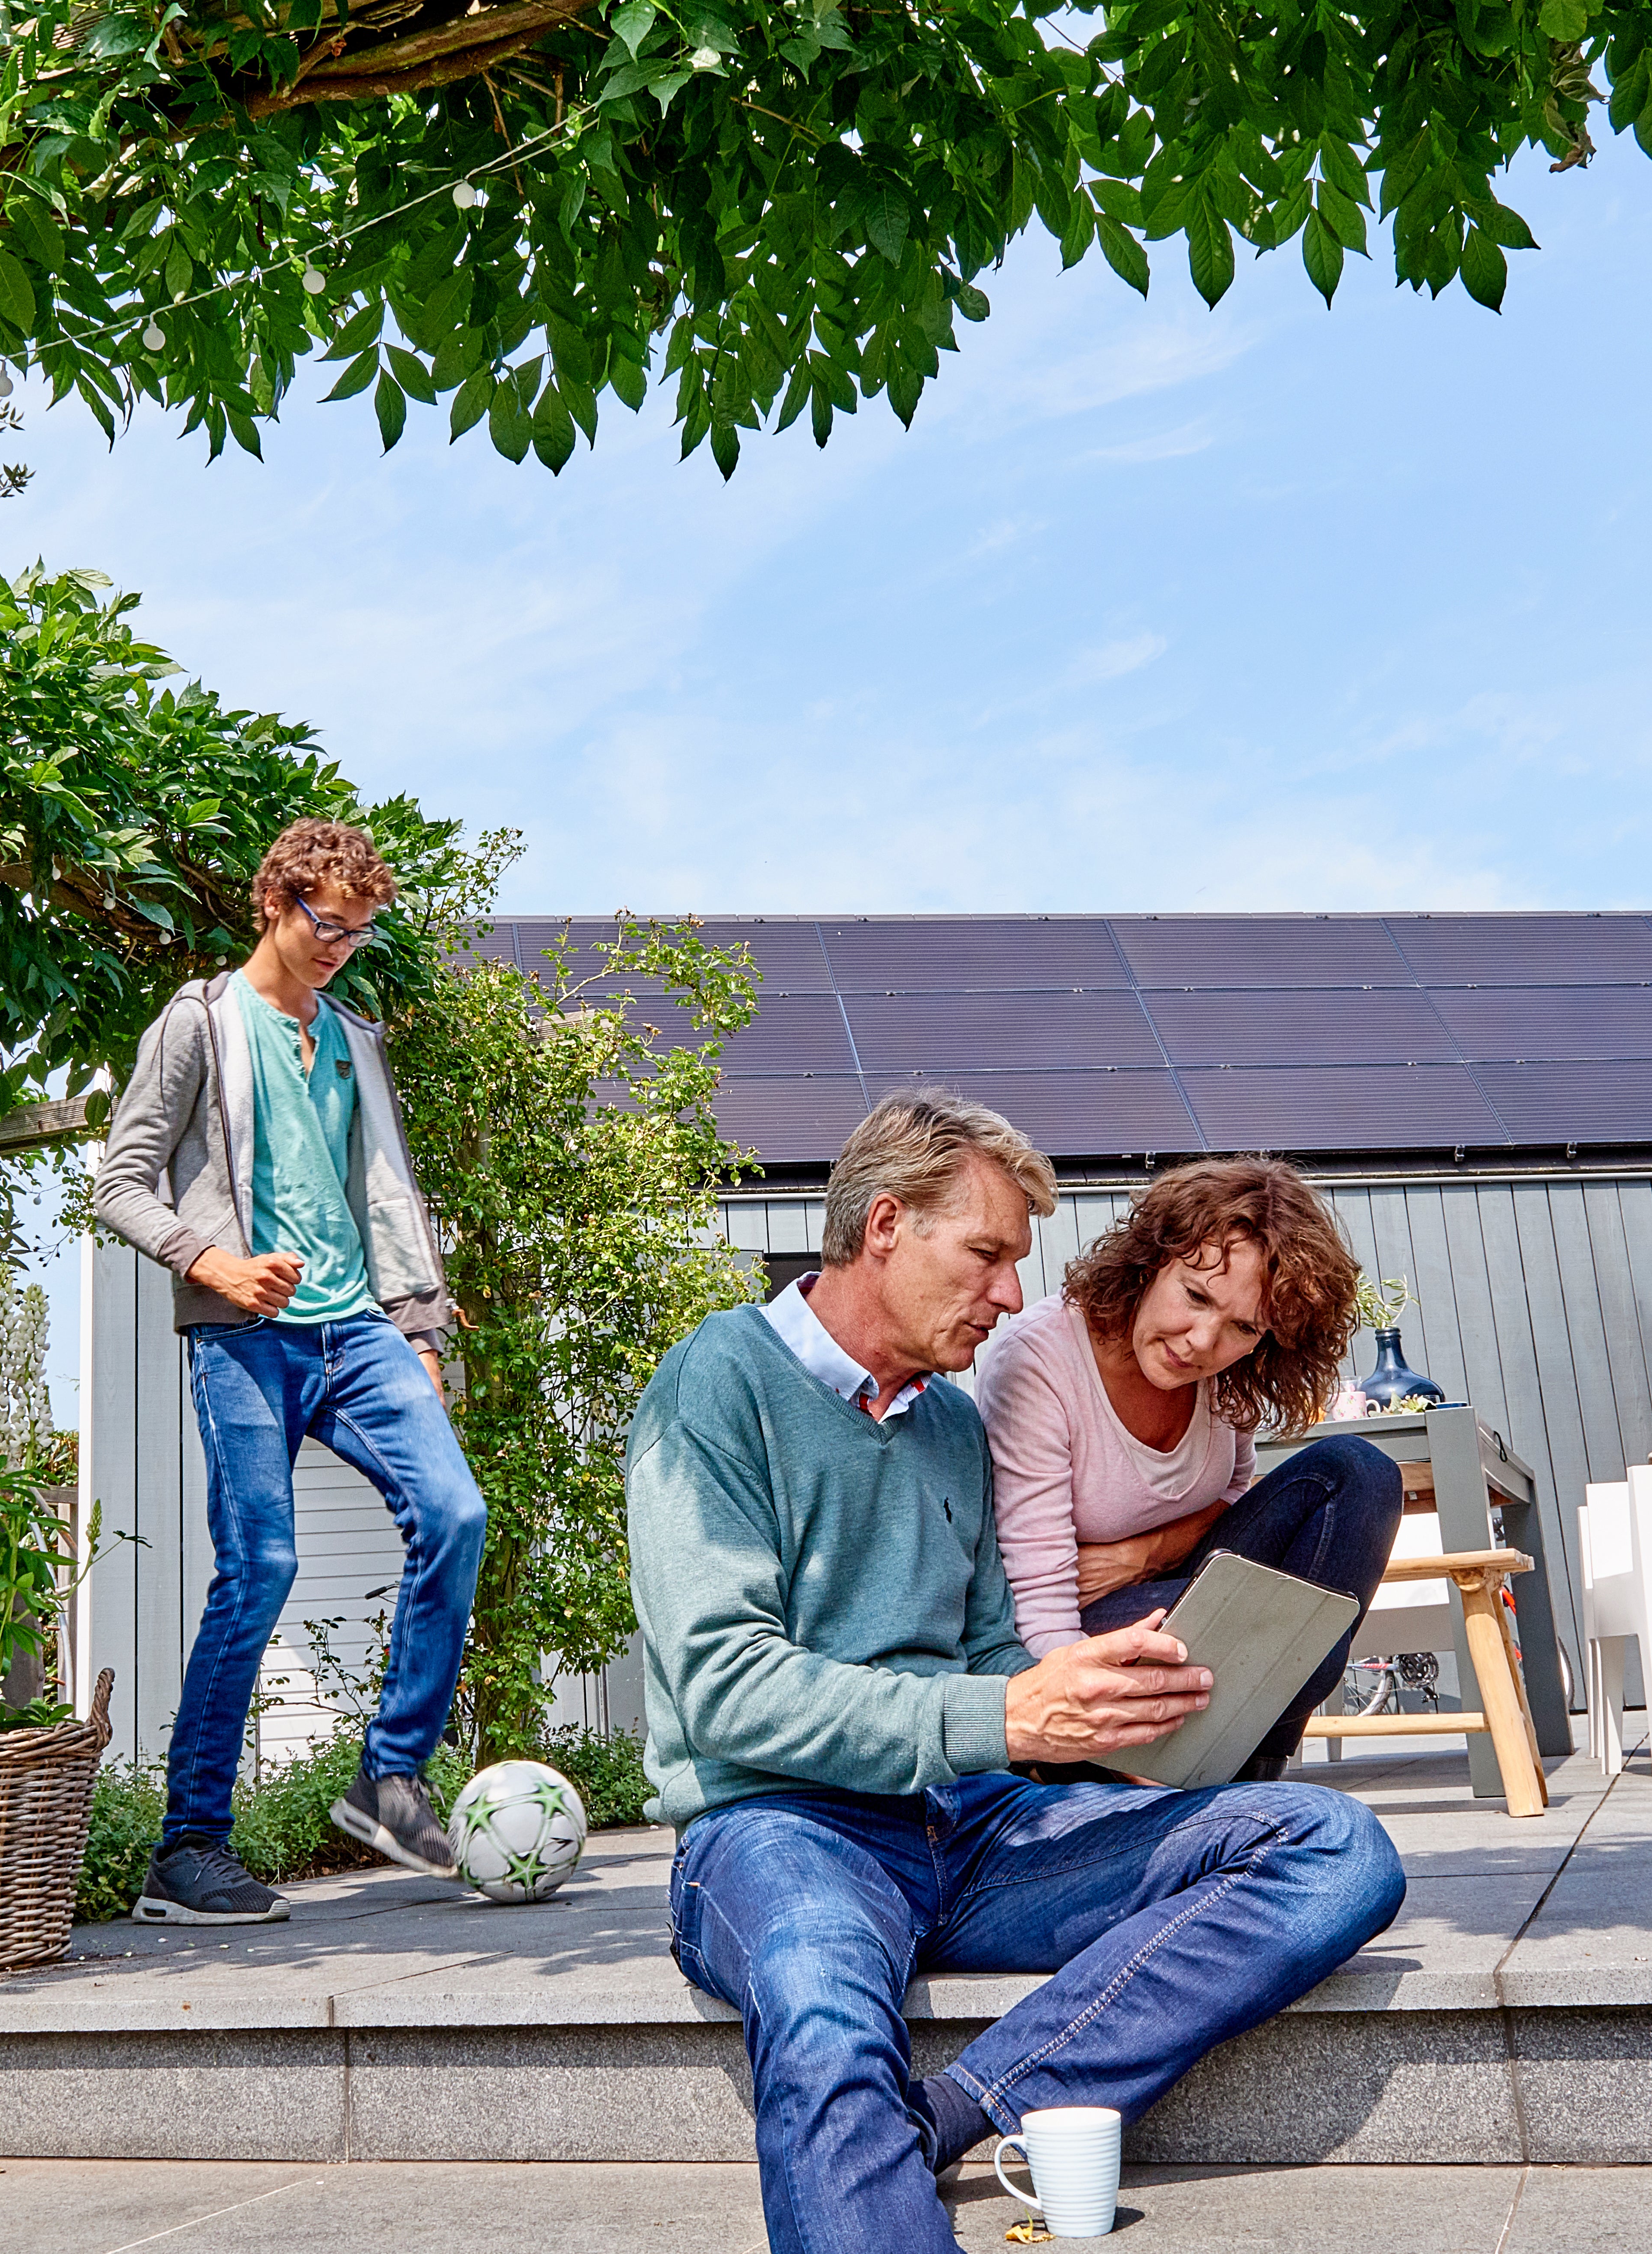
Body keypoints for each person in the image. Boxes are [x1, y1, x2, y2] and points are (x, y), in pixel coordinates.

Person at [626, 1092, 1408, 2254]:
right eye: (988, 1255)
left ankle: (963, 2104)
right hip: (782, 1829)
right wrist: (1008, 1707)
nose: (1008, 1293)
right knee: (825, 2014)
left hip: (977, 1830)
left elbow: (993, 1646)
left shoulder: (946, 1422)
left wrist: (1083, 1683)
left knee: (1332, 1848)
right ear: (886, 1226)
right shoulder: (717, 1385)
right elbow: (728, 1691)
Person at [92, 817, 486, 1927]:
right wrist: (209, 1258)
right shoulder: (199, 1023)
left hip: (357, 1328)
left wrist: (419, 1332)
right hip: (242, 1335)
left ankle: (389, 1778)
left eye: (359, 931)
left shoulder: (353, 1036)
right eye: (326, 922)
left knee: (453, 1511)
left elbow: (385, 1195)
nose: (340, 945)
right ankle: (188, 1847)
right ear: (275, 900)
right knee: (259, 1564)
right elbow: (120, 1181)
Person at [975, 1158, 1398, 1784]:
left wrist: (1140, 1553)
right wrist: (1077, 1728)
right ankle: (1141, 1772)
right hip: (1071, 1630)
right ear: (1152, 1261)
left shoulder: (1228, 1380)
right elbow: (1039, 1611)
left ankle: (1249, 1765)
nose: (1202, 1341)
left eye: (1242, 1326)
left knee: (1358, 1471)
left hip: (1174, 1588)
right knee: (1266, 1630)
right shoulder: (1040, 1363)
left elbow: (1229, 1501)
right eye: (1196, 1296)